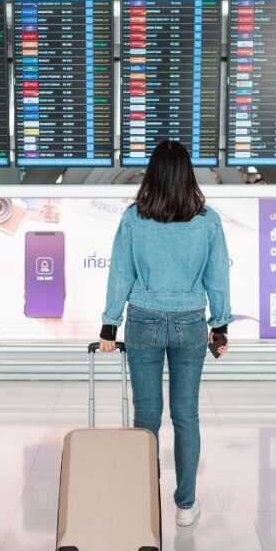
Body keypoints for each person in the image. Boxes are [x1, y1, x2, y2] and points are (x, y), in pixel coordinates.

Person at [98, 140, 231, 528]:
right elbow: (217, 277)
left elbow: (121, 273)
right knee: (187, 415)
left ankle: (143, 499)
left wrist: (110, 324)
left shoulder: (133, 218)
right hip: (191, 322)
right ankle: (185, 505)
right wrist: (219, 326)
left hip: (144, 322)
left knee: (148, 416)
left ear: (152, 174)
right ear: (187, 174)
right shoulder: (208, 220)